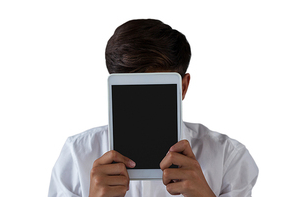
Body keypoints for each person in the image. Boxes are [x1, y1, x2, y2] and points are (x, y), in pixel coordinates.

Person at [48, 19, 258, 197]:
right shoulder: (76, 156)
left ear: (183, 87)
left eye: (155, 93)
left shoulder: (229, 157)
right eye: (131, 94)